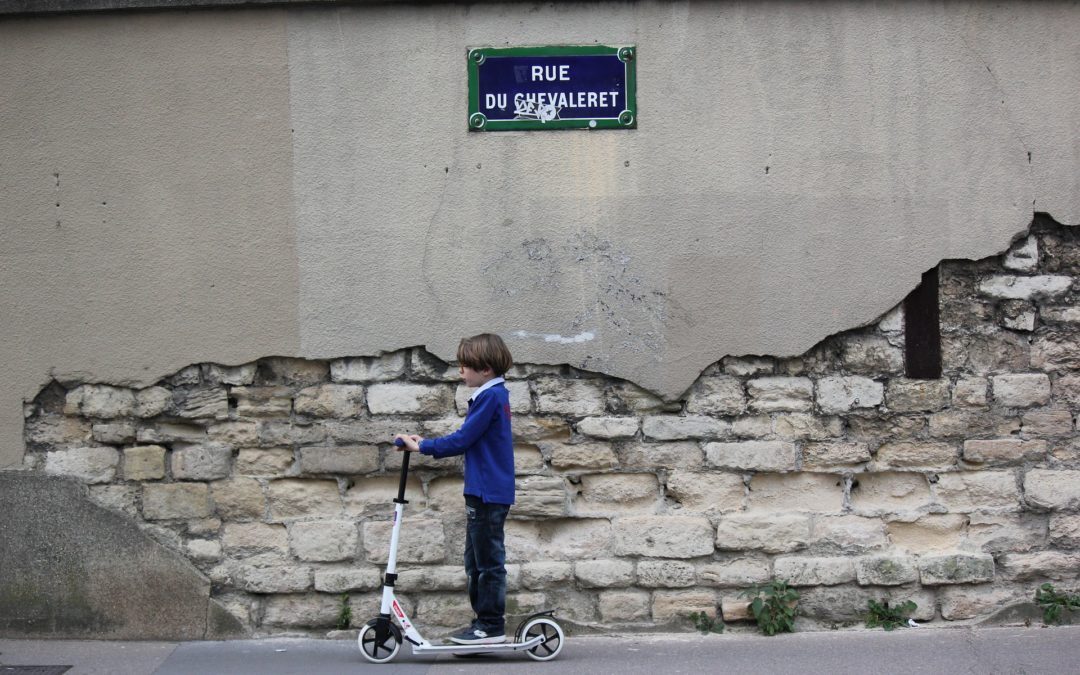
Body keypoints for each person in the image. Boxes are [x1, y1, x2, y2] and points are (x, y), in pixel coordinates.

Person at [394, 333, 515, 645]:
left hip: (487, 492)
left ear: (485, 369)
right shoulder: (491, 395)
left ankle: (490, 626)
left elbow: (463, 439)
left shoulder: (490, 397)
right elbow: (467, 438)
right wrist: (426, 443)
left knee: (487, 563)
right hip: (482, 490)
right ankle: (482, 624)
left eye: (465, 366)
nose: (461, 372)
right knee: (474, 563)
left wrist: (424, 447)